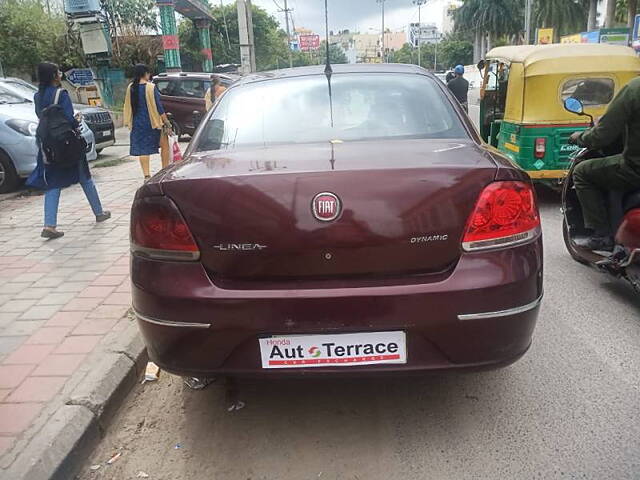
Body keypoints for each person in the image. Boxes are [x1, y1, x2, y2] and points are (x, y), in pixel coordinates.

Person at [26, 62, 110, 240]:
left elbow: (41, 117)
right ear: (54, 76)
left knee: (53, 182)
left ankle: (50, 224)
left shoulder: (37, 96)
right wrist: (77, 119)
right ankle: (99, 212)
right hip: (67, 143)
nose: (60, 73)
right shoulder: (61, 94)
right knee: (84, 177)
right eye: (58, 71)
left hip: (48, 145)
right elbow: (69, 120)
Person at [568, 77, 640, 251]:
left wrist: (580, 137)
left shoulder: (634, 89)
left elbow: (602, 135)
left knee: (582, 172)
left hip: (634, 169)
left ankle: (602, 235)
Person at [124, 64, 172, 180]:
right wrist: (166, 122)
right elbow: (159, 107)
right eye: (148, 73)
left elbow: (127, 105)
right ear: (144, 74)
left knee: (143, 149)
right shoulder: (151, 87)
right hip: (153, 122)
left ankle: (146, 175)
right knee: (165, 145)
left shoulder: (131, 87)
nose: (149, 75)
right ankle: (164, 171)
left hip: (137, 123)